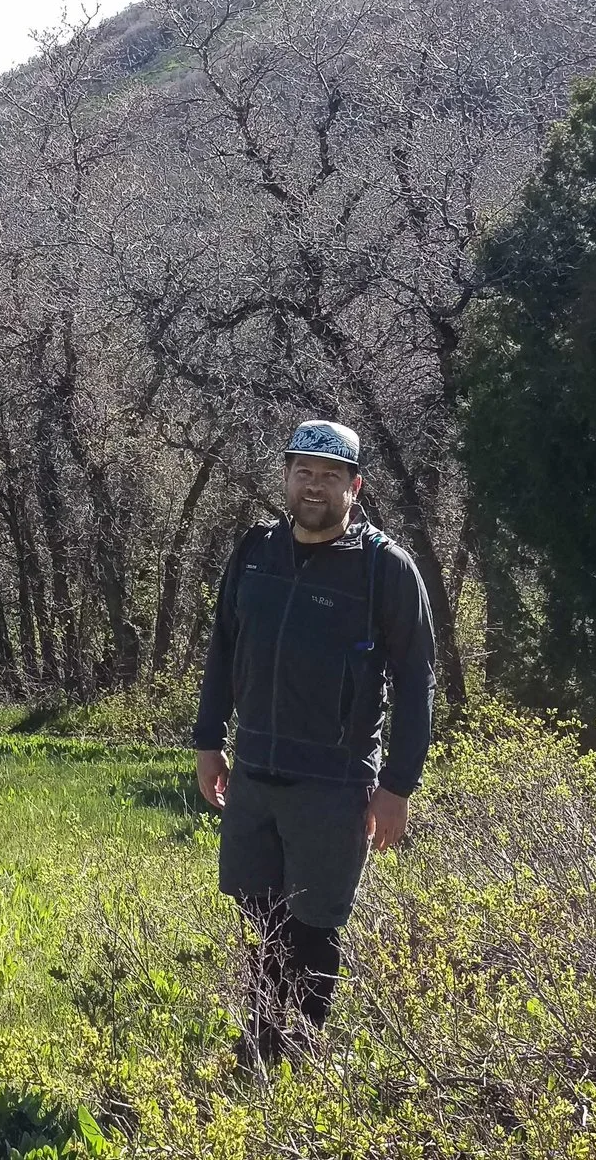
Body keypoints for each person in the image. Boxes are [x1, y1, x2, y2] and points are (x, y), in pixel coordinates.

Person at [192, 419, 435, 1068]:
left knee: (314, 923)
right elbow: (222, 649)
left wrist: (397, 788)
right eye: (304, 472)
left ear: (355, 487)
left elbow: (416, 686)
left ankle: (289, 1052)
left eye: (331, 476)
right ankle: (264, 1042)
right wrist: (208, 741)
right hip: (255, 770)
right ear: (287, 477)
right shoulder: (253, 552)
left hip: (333, 785)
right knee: (260, 912)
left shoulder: (386, 569)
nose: (314, 486)